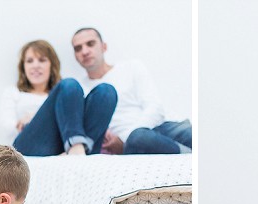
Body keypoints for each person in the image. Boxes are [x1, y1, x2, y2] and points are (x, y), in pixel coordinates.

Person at [71, 27, 192, 155]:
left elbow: (155, 107)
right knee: (139, 139)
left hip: (159, 127)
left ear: (103, 47)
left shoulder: (132, 67)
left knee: (192, 132)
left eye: (90, 44)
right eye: (78, 48)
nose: (84, 51)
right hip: (136, 141)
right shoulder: (78, 89)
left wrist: (125, 137)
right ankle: (188, 158)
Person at [3, 40, 118, 156]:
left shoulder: (67, 93)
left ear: (51, 65)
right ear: (23, 67)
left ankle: (78, 149)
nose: (36, 66)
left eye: (42, 60)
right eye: (29, 61)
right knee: (69, 84)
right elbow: (8, 127)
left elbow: (85, 118)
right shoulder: (14, 92)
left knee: (107, 92)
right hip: (29, 145)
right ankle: (76, 147)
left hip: (64, 143)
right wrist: (33, 117)